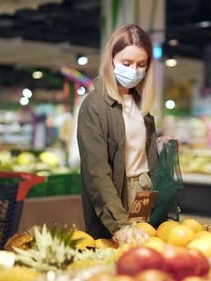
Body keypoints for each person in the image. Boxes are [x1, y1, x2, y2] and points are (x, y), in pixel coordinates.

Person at [77, 24, 159, 239]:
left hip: (143, 193)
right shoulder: (95, 106)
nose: (134, 71)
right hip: (116, 196)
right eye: (126, 63)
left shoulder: (143, 106)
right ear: (111, 59)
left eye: (141, 64)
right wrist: (119, 224)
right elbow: (96, 172)